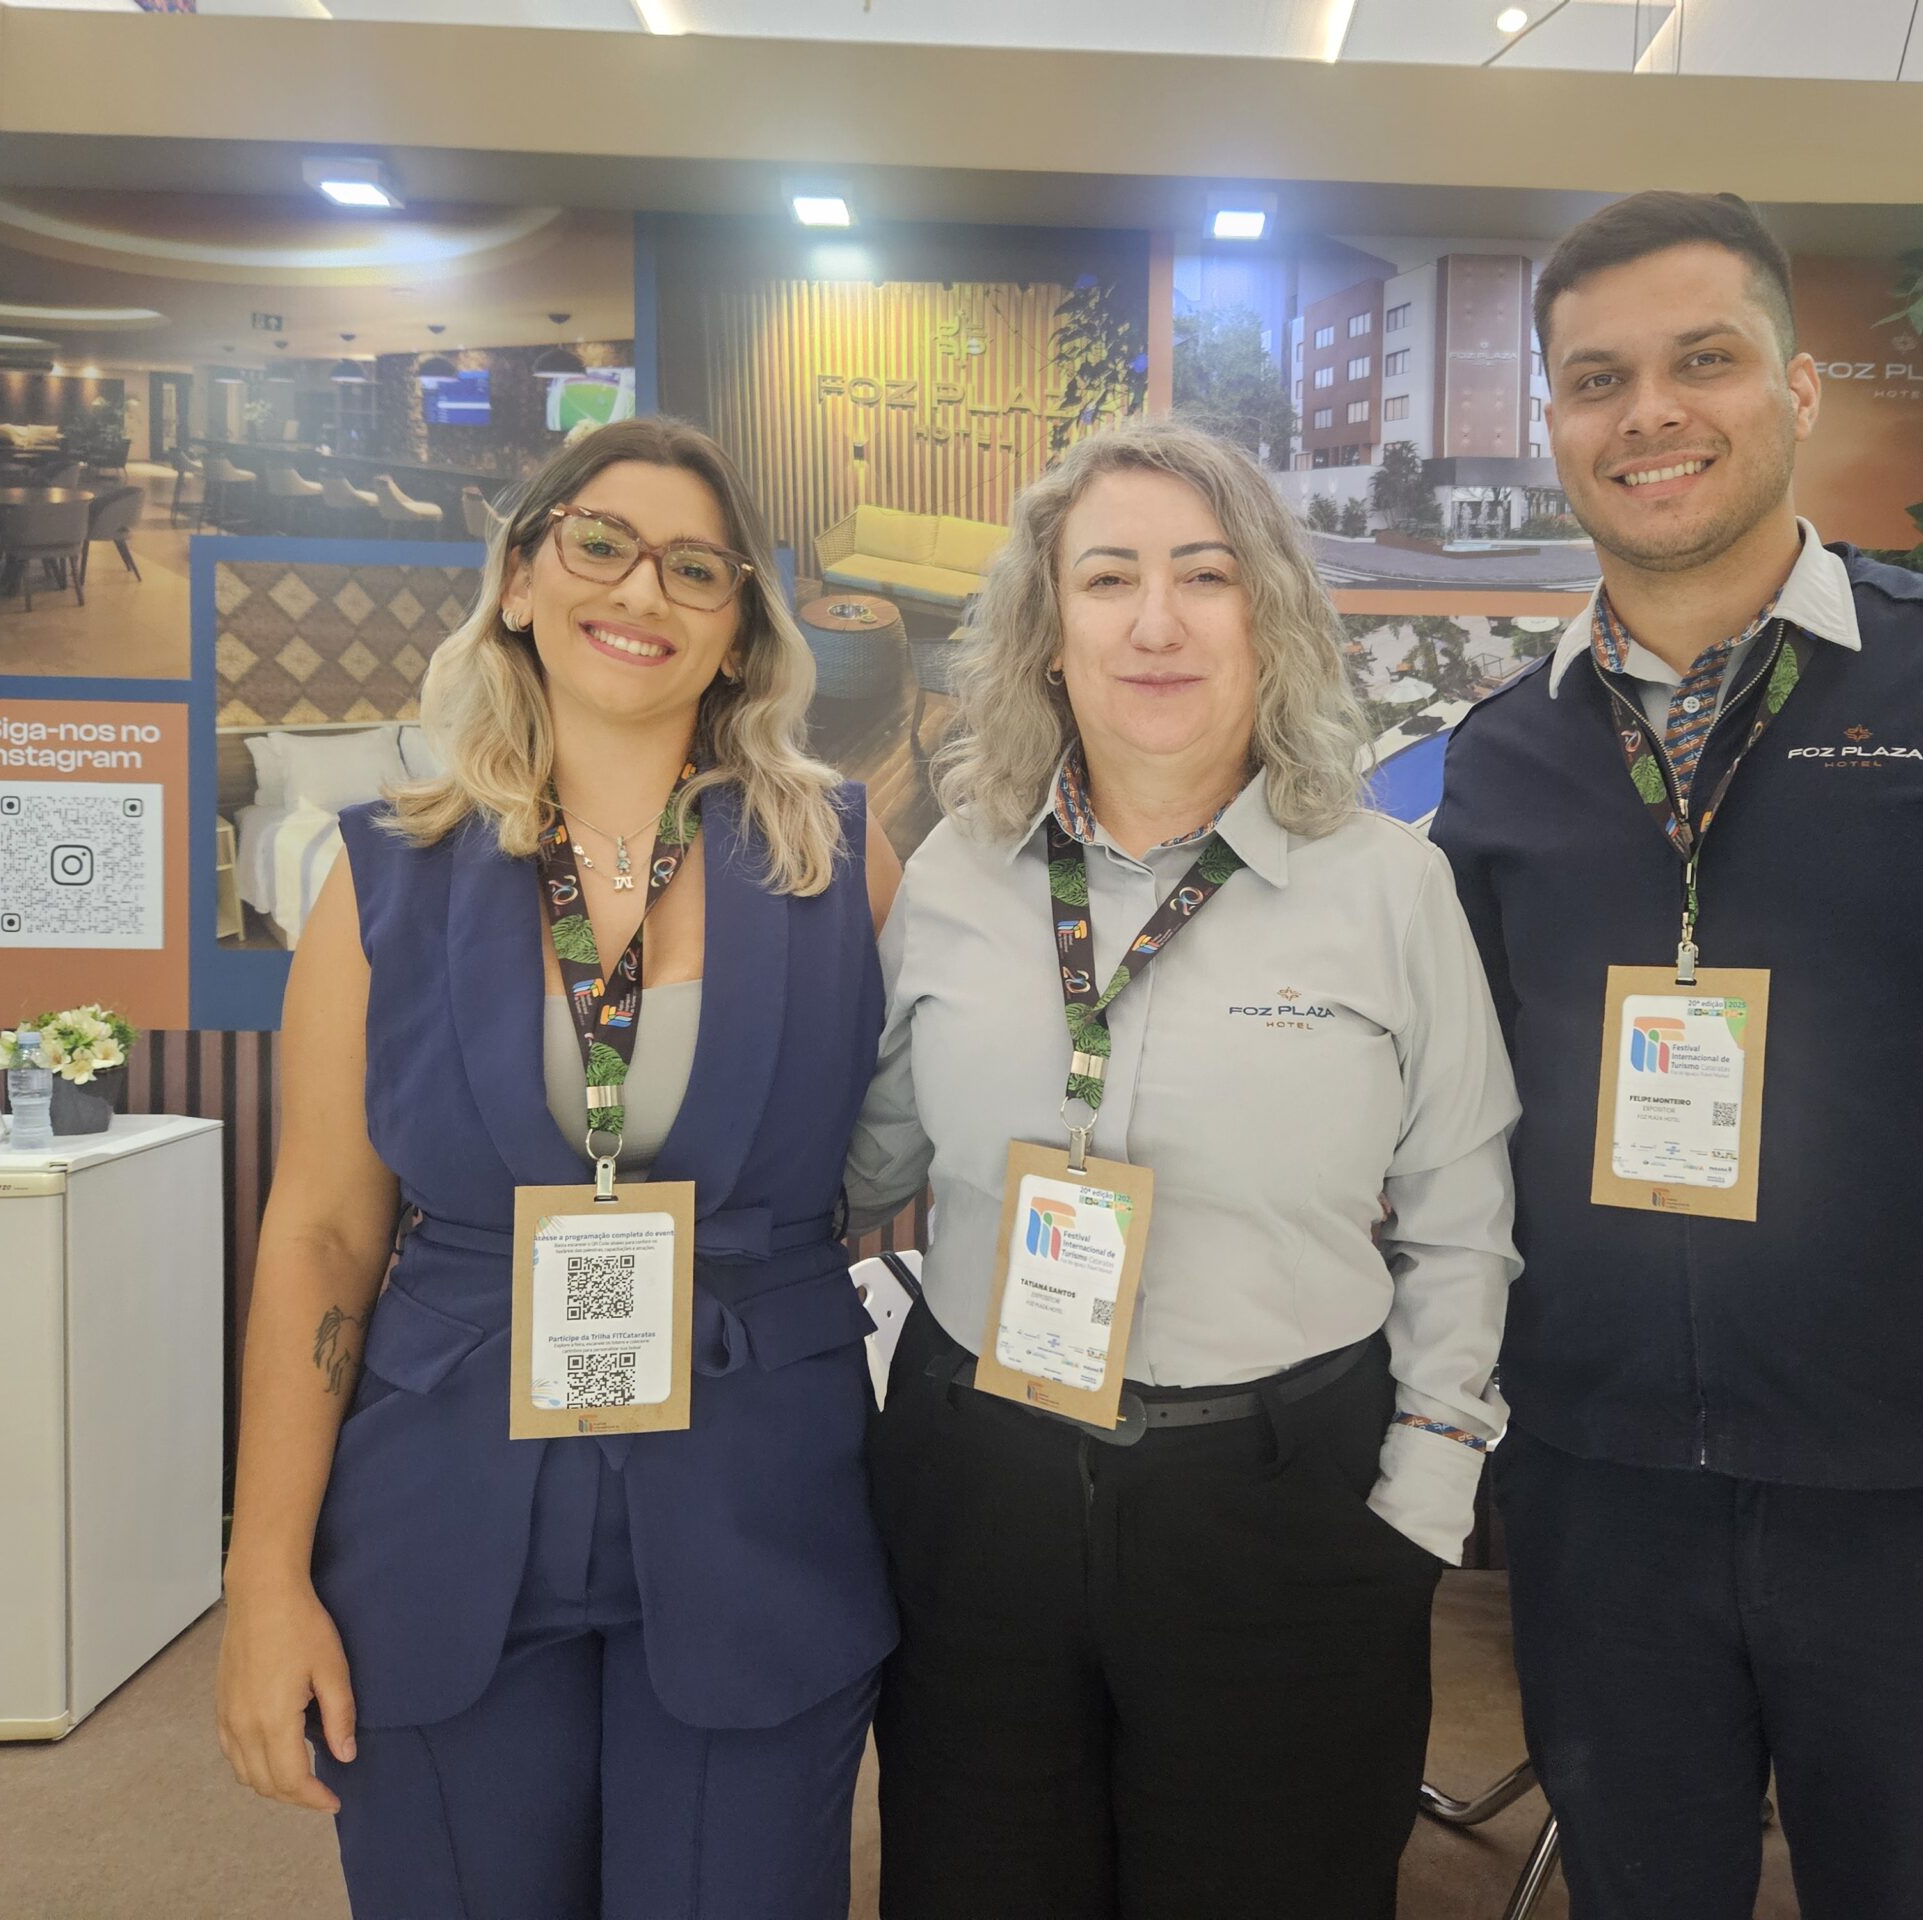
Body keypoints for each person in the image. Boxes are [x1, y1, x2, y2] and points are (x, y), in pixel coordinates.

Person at [1431, 192, 1923, 1920]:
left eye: (1701, 359)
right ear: (1557, 427)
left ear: (1798, 389)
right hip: (1602, 1512)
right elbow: (1446, 1127)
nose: (1649, 412)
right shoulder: (1501, 764)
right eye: (1596, 379)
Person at [214, 417, 902, 1920]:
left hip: (758, 1516)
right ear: (519, 580)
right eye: (599, 542)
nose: (642, 592)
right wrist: (264, 1576)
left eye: (695, 569)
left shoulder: (841, 864)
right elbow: (323, 1234)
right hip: (442, 1514)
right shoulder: (378, 881)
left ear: (738, 634)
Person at [846, 416, 1520, 1920]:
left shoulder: (1389, 887)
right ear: (1045, 630)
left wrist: (1420, 1498)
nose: (1155, 621)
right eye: (1108, 579)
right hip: (982, 1497)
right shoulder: (957, 869)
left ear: (1267, 616)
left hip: (1284, 1510)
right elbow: (866, 1156)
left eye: (1203, 575)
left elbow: (1468, 1219)